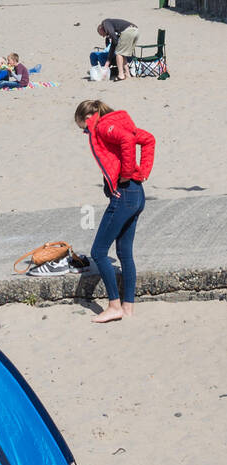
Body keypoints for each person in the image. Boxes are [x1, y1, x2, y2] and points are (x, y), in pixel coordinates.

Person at [75, 99, 155, 324]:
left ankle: (114, 306)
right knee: (124, 252)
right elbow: (148, 140)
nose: (85, 132)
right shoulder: (117, 123)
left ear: (89, 118)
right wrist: (143, 173)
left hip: (125, 195)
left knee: (99, 252)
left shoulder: (102, 126)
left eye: (83, 128)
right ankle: (128, 306)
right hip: (137, 194)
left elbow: (128, 141)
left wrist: (128, 174)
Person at [97, 17, 139, 81]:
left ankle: (121, 75)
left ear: (101, 28)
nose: (103, 36)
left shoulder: (105, 23)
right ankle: (127, 74)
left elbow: (113, 38)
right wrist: (108, 62)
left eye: (101, 34)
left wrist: (116, 44)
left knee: (118, 53)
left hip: (128, 31)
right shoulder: (111, 26)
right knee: (123, 54)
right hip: (136, 31)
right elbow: (113, 43)